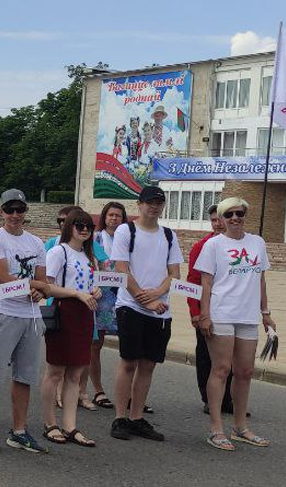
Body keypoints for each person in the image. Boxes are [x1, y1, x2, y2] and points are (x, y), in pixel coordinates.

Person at [195, 197, 274, 451]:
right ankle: (216, 429)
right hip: (222, 313)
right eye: (229, 214)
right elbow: (205, 283)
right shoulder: (213, 245)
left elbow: (260, 280)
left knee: (245, 372)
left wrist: (265, 312)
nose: (235, 218)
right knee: (221, 369)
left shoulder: (257, 243)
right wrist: (204, 315)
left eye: (239, 213)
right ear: (221, 218)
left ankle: (240, 427)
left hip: (248, 315)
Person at [0, 188, 49, 455]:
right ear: (1, 212)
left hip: (30, 314)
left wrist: (40, 290)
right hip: (4, 311)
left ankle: (19, 431)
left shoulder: (37, 243)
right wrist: (36, 286)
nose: (15, 215)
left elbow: (44, 280)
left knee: (24, 376)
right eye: (10, 210)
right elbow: (3, 277)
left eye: (20, 210)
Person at [109, 185, 182, 442]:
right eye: (149, 202)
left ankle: (137, 417)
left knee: (148, 364)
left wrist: (157, 294)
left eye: (158, 203)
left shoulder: (169, 235)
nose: (154, 207)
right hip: (130, 305)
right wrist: (144, 298)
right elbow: (121, 268)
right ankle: (120, 417)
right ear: (139, 204)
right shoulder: (125, 231)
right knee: (129, 361)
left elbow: (175, 273)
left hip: (160, 309)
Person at [37, 209, 102, 448]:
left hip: (85, 315)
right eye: (79, 225)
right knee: (55, 372)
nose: (84, 229)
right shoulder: (58, 251)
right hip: (64, 313)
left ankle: (70, 425)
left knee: (75, 374)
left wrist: (96, 291)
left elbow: (94, 286)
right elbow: (47, 287)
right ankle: (49, 423)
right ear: (69, 227)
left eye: (88, 226)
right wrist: (77, 293)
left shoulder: (89, 257)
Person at [189, 204, 236, 415]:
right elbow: (193, 281)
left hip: (232, 311)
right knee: (207, 357)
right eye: (214, 220)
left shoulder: (237, 246)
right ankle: (208, 398)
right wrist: (195, 312)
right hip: (207, 312)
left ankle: (228, 399)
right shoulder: (202, 246)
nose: (217, 224)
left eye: (220, 219)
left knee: (231, 358)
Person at [89, 201, 128, 411]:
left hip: (124, 295)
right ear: (104, 217)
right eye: (111, 215)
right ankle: (97, 389)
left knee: (129, 346)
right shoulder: (95, 238)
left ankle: (128, 393)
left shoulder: (129, 239)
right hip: (102, 297)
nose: (114, 219)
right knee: (96, 343)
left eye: (118, 216)